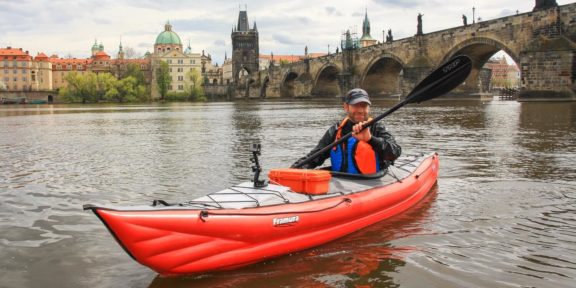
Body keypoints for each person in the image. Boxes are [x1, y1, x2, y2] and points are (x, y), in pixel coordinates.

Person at [292, 88, 402, 174]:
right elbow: (315, 157)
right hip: (342, 182)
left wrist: (370, 139)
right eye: (355, 106)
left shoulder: (376, 127)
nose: (360, 110)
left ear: (369, 108)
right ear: (346, 107)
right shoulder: (335, 130)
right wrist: (292, 170)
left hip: (371, 182)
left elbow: (395, 152)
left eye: (364, 106)